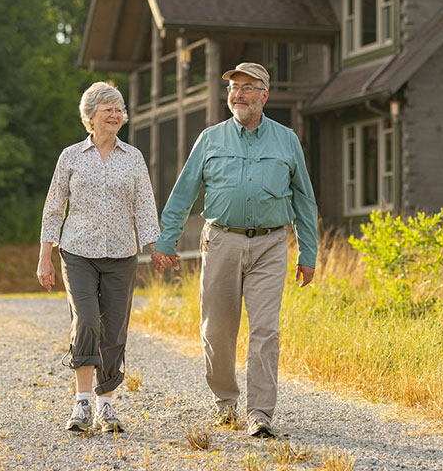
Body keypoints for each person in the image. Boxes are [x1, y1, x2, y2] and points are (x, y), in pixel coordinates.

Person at [150, 62, 318, 439]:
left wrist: (308, 253)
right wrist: (166, 241)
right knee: (217, 329)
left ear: (264, 95)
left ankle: (260, 412)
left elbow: (305, 201)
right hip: (221, 240)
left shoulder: (286, 139)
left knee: (265, 330)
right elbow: (183, 193)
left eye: (246, 87)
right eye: (233, 87)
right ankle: (225, 402)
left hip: (272, 244)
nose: (237, 94)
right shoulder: (210, 138)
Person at [37, 81, 160, 434]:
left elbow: (145, 206)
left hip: (122, 256)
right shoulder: (70, 157)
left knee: (114, 331)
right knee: (87, 321)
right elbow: (53, 209)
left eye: (120, 109)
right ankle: (82, 402)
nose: (117, 115)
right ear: (90, 117)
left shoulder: (133, 157)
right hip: (78, 254)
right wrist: (45, 258)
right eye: (109, 110)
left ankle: (106, 407)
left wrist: (156, 247)